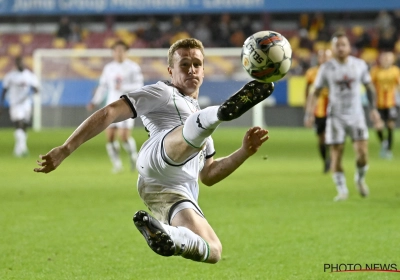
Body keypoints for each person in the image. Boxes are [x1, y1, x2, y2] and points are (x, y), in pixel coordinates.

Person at [34, 38, 274, 263]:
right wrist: (66, 148)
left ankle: (169, 236)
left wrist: (244, 152)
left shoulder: (199, 124)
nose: (191, 69)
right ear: (171, 71)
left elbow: (208, 175)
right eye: (184, 64)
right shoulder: (161, 92)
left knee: (213, 250)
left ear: (203, 70)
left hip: (174, 190)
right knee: (194, 130)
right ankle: (221, 113)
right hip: (157, 158)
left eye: (197, 64)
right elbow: (109, 113)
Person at [304, 32, 382, 201]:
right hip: (336, 117)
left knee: (362, 153)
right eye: (337, 45)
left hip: (356, 115)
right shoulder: (326, 68)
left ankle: (360, 179)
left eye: (343, 45)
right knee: (336, 154)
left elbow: (369, 88)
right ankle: (342, 190)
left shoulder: (359, 65)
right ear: (332, 49)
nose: (340, 48)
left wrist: (374, 109)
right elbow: (315, 92)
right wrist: (309, 113)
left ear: (349, 47)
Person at [87, 40, 144, 173]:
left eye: (121, 51)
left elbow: (139, 85)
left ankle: (133, 156)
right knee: (111, 137)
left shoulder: (133, 67)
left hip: (127, 105)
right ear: (113, 53)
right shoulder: (109, 68)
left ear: (126, 52)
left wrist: (123, 87)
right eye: (116, 51)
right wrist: (95, 101)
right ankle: (117, 164)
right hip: (111, 105)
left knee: (124, 137)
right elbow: (103, 86)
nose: (118, 53)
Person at [0, 56, 39, 157]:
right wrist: (1, 104)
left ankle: (18, 149)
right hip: (15, 104)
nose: (21, 64)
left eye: (22, 62)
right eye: (19, 63)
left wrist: (35, 89)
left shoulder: (29, 75)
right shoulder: (11, 76)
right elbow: (4, 90)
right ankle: (23, 149)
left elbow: (36, 88)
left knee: (24, 126)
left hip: (26, 104)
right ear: (16, 64)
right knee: (19, 124)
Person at [304, 49, 332, 173]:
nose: (324, 59)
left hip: (333, 109)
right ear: (318, 58)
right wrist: (308, 110)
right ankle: (326, 160)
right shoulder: (311, 73)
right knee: (321, 138)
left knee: (329, 136)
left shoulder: (336, 71)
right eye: (322, 56)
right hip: (318, 110)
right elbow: (308, 90)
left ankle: (331, 159)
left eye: (327, 57)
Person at [370, 51, 400, 159]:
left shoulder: (396, 71)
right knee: (378, 126)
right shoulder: (375, 71)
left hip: (391, 103)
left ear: (392, 60)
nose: (386, 60)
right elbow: (370, 86)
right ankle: (384, 142)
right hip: (379, 104)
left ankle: (388, 151)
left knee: (391, 125)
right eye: (384, 58)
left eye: (388, 58)